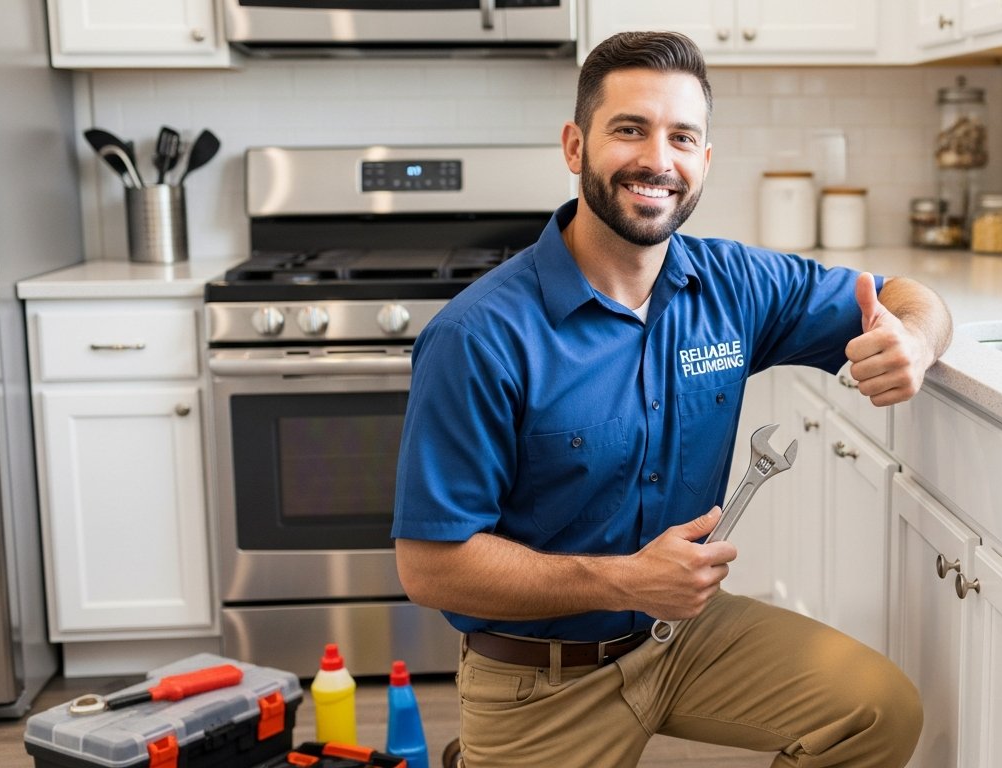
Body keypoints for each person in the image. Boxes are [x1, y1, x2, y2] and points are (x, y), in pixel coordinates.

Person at [392, 30, 953, 768]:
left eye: (681, 137)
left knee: (878, 711)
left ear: (705, 160)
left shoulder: (733, 286)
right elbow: (430, 567)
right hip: (540, 678)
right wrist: (625, 579)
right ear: (575, 147)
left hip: (685, 639)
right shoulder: (479, 336)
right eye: (630, 129)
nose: (658, 160)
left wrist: (915, 340)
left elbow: (905, 294)